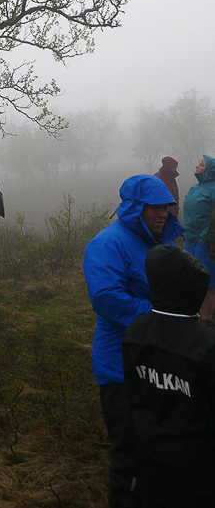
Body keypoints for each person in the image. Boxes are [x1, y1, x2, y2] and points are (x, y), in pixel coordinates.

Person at [83, 174, 183, 508]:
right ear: (135, 207)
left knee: (154, 443)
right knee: (127, 449)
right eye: (155, 207)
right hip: (119, 365)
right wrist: (161, 316)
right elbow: (107, 298)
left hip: (154, 360)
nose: (163, 214)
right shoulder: (108, 243)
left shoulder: (157, 241)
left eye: (167, 207)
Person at [123, 245, 215, 508]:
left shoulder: (135, 333)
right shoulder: (206, 344)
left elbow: (133, 396)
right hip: (200, 470)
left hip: (151, 460)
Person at [183, 155, 215, 322]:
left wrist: (204, 238)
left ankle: (208, 320)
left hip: (205, 242)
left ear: (210, 170)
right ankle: (202, 319)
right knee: (195, 280)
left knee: (209, 283)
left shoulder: (213, 189)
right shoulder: (194, 188)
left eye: (201, 165)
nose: (197, 166)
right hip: (190, 239)